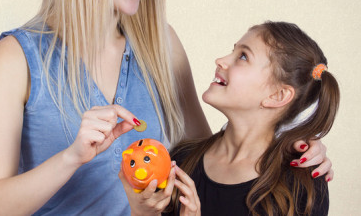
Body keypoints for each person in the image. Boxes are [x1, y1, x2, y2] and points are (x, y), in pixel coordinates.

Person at [0, 0, 332, 215]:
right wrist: (71, 158)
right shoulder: (15, 59)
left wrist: (285, 152)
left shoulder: (161, 45)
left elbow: (207, 160)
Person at [125, 21, 339, 215]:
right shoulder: (181, 160)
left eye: (243, 56)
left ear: (277, 95)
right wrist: (142, 213)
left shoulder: (301, 186)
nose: (221, 61)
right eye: (233, 51)